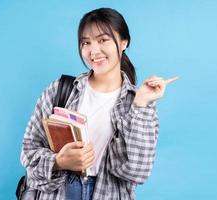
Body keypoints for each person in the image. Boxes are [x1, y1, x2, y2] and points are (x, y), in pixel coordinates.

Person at [20, 7, 178, 200]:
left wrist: (140, 104)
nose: (94, 51)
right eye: (86, 43)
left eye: (103, 40)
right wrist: (59, 161)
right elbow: (29, 151)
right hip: (59, 193)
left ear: (123, 42)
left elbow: (137, 171)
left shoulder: (136, 102)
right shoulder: (60, 90)